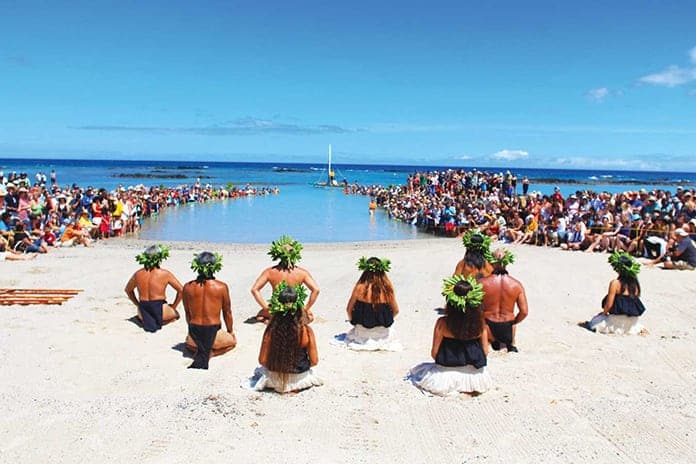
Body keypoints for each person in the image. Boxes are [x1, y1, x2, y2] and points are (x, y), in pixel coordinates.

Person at [409, 275, 492, 396]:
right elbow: (485, 351)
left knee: (419, 372)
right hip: (473, 375)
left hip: (445, 373)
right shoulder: (481, 325)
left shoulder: (442, 323)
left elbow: (434, 353)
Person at [246, 282, 322, 393]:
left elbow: (262, 360)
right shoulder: (307, 331)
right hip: (299, 378)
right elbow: (314, 361)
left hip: (274, 379)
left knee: (259, 371)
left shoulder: (271, 330)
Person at [333, 257, 401, 351]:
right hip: (382, 333)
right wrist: (385, 319)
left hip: (362, 332)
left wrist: (353, 322)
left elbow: (348, 309)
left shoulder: (359, 288)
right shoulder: (387, 289)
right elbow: (396, 310)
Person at [183, 252, 237, 369]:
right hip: (214, 332)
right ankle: (211, 353)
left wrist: (191, 331)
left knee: (188, 345)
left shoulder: (187, 287)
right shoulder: (221, 287)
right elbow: (227, 312)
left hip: (194, 334)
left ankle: (199, 349)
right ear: (215, 267)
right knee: (232, 343)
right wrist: (230, 331)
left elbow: (187, 314)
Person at [250, 235, 320, 323]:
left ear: (278, 255)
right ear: (295, 255)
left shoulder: (270, 272)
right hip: (295, 308)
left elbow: (254, 290)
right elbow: (316, 290)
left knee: (260, 314)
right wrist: (306, 308)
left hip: (277, 308)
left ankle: (272, 319)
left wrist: (266, 308)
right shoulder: (302, 273)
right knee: (309, 315)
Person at [581, 251, 647, 335]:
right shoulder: (635, 285)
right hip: (632, 321)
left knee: (595, 321)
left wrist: (603, 313)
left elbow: (609, 305)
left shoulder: (615, 283)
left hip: (616, 319)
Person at [479, 248, 528, 352]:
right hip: (507, 329)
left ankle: (490, 340)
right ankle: (508, 342)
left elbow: (472, 307)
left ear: (491, 262)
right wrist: (513, 322)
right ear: (507, 262)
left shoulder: (481, 283)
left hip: (487, 326)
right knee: (512, 326)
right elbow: (524, 312)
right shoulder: (516, 284)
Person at [124, 245, 183, 333]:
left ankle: (149, 320)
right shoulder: (165, 273)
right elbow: (181, 290)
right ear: (160, 258)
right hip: (160, 308)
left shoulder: (138, 274)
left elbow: (128, 290)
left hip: (142, 311)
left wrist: (137, 304)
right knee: (177, 315)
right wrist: (174, 306)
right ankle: (164, 321)